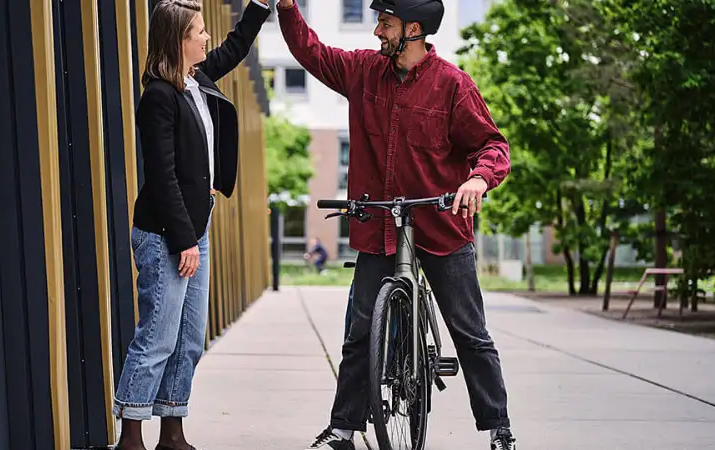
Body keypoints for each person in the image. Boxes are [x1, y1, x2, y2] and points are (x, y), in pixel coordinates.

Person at [274, 1, 517, 449]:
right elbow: (312, 52)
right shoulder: (364, 72)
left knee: (470, 333)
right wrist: (288, 8)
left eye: (385, 25)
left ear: (413, 29)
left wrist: (479, 180)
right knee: (360, 331)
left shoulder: (453, 86)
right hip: (380, 223)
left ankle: (499, 430)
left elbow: (492, 145)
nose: (377, 33)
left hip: (441, 227)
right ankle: (343, 430)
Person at [112, 1, 270, 449]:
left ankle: (173, 431)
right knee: (157, 339)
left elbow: (234, 48)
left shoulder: (196, 80)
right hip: (166, 233)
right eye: (199, 32)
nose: (206, 39)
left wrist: (259, 7)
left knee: (188, 341)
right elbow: (161, 178)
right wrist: (184, 241)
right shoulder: (158, 97)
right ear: (178, 39)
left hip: (192, 231)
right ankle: (131, 435)